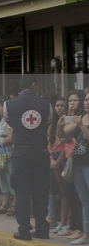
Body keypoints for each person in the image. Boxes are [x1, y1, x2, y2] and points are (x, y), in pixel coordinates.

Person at [4, 74, 53, 240]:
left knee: (22, 192)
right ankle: (42, 229)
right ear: (34, 84)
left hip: (20, 152)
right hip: (41, 152)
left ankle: (24, 229)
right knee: (41, 191)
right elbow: (47, 122)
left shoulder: (8, 104)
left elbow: (10, 123)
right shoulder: (46, 104)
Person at [57, 92, 89, 244]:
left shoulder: (82, 121)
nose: (87, 103)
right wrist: (60, 124)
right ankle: (85, 232)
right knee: (83, 200)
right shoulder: (81, 118)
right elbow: (63, 135)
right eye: (87, 100)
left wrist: (81, 125)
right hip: (78, 162)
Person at [48, 97, 70, 230]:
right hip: (53, 158)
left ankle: (65, 221)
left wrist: (59, 160)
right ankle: (60, 221)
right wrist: (52, 159)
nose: (59, 108)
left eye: (62, 105)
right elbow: (49, 142)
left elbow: (66, 142)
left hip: (64, 157)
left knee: (65, 190)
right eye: (57, 105)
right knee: (57, 190)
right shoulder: (53, 123)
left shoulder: (68, 121)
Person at [0, 96, 16, 216]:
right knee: (3, 179)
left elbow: (10, 138)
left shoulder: (10, 121)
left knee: (11, 178)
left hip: (8, 154)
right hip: (0, 156)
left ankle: (14, 205)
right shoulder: (1, 120)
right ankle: (4, 204)